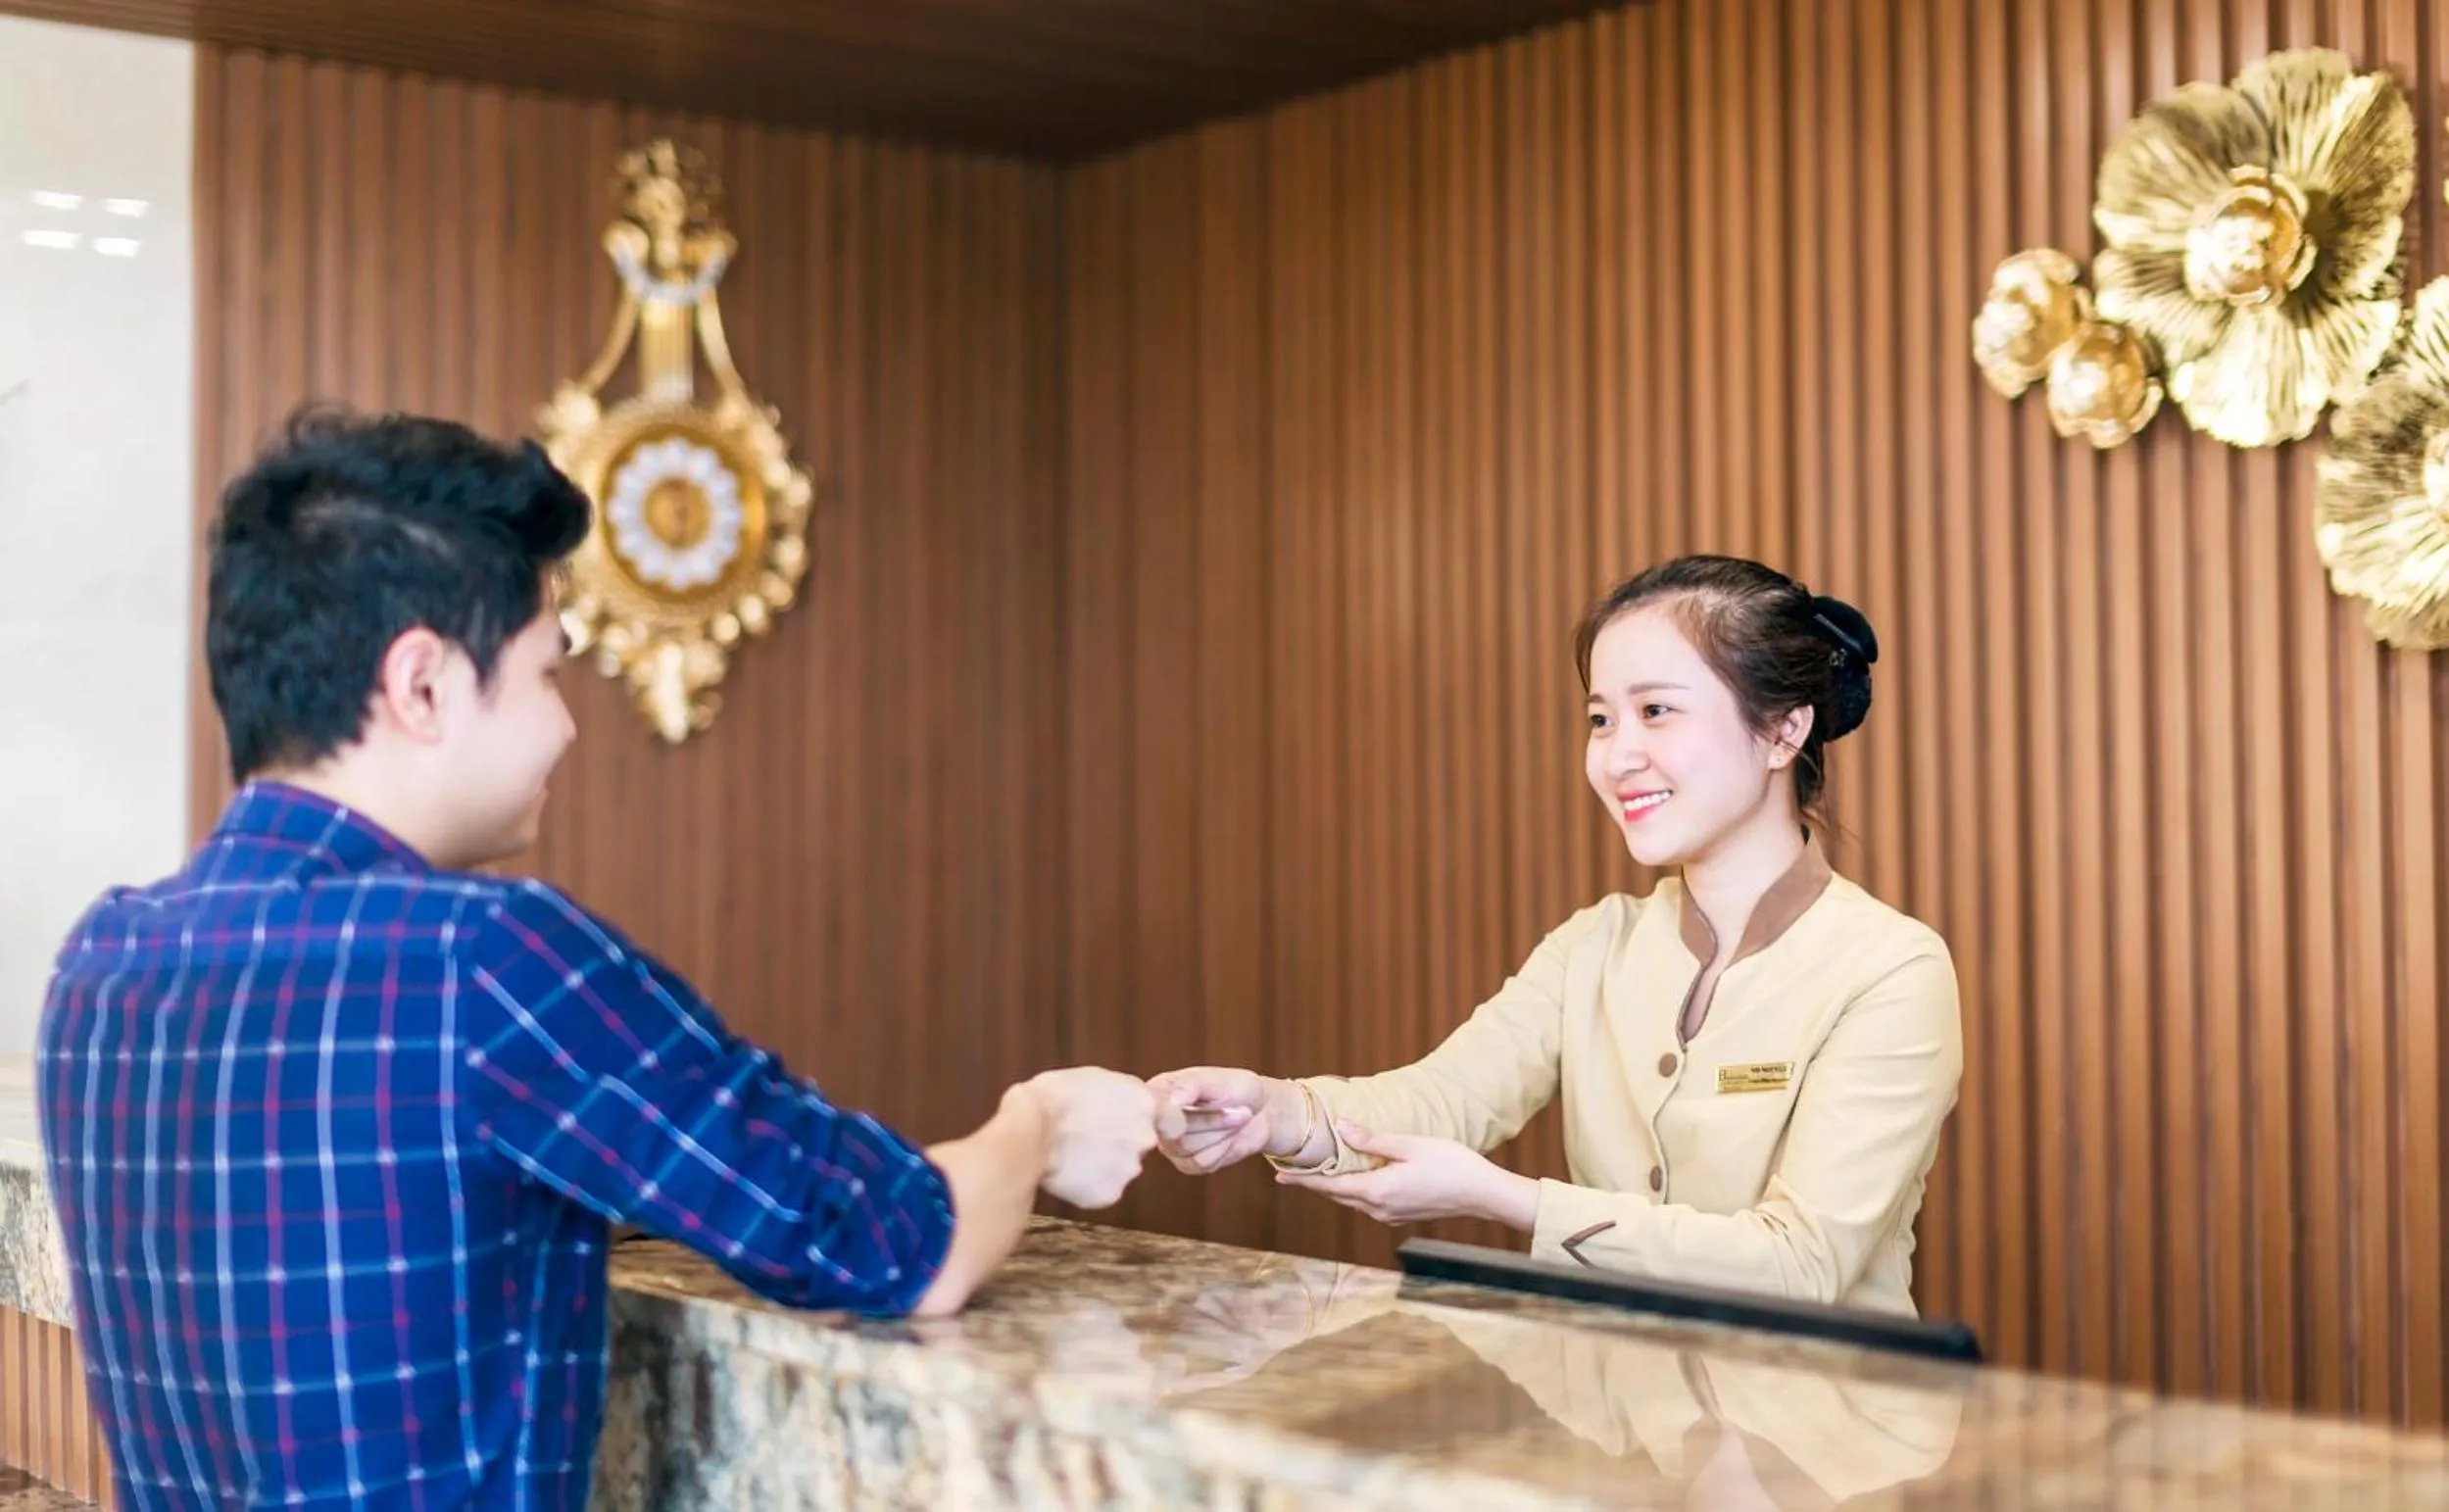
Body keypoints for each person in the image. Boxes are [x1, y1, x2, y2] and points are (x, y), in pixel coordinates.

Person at [36, 408, 1170, 1512]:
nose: (567, 728)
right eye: (546, 671)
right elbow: (907, 1247)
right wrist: (1040, 1126)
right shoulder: (484, 958)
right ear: (422, 683)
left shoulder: (102, 965)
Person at [1153, 554, 1963, 1315]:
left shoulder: (1889, 968)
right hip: (1618, 1430)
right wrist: (1274, 1111)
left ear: (1783, 732)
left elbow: (1801, 1263)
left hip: (1823, 1444)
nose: (1617, 756)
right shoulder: (1593, 947)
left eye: (1655, 711)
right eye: (1601, 719)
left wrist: (1508, 1199)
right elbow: (1442, 1100)